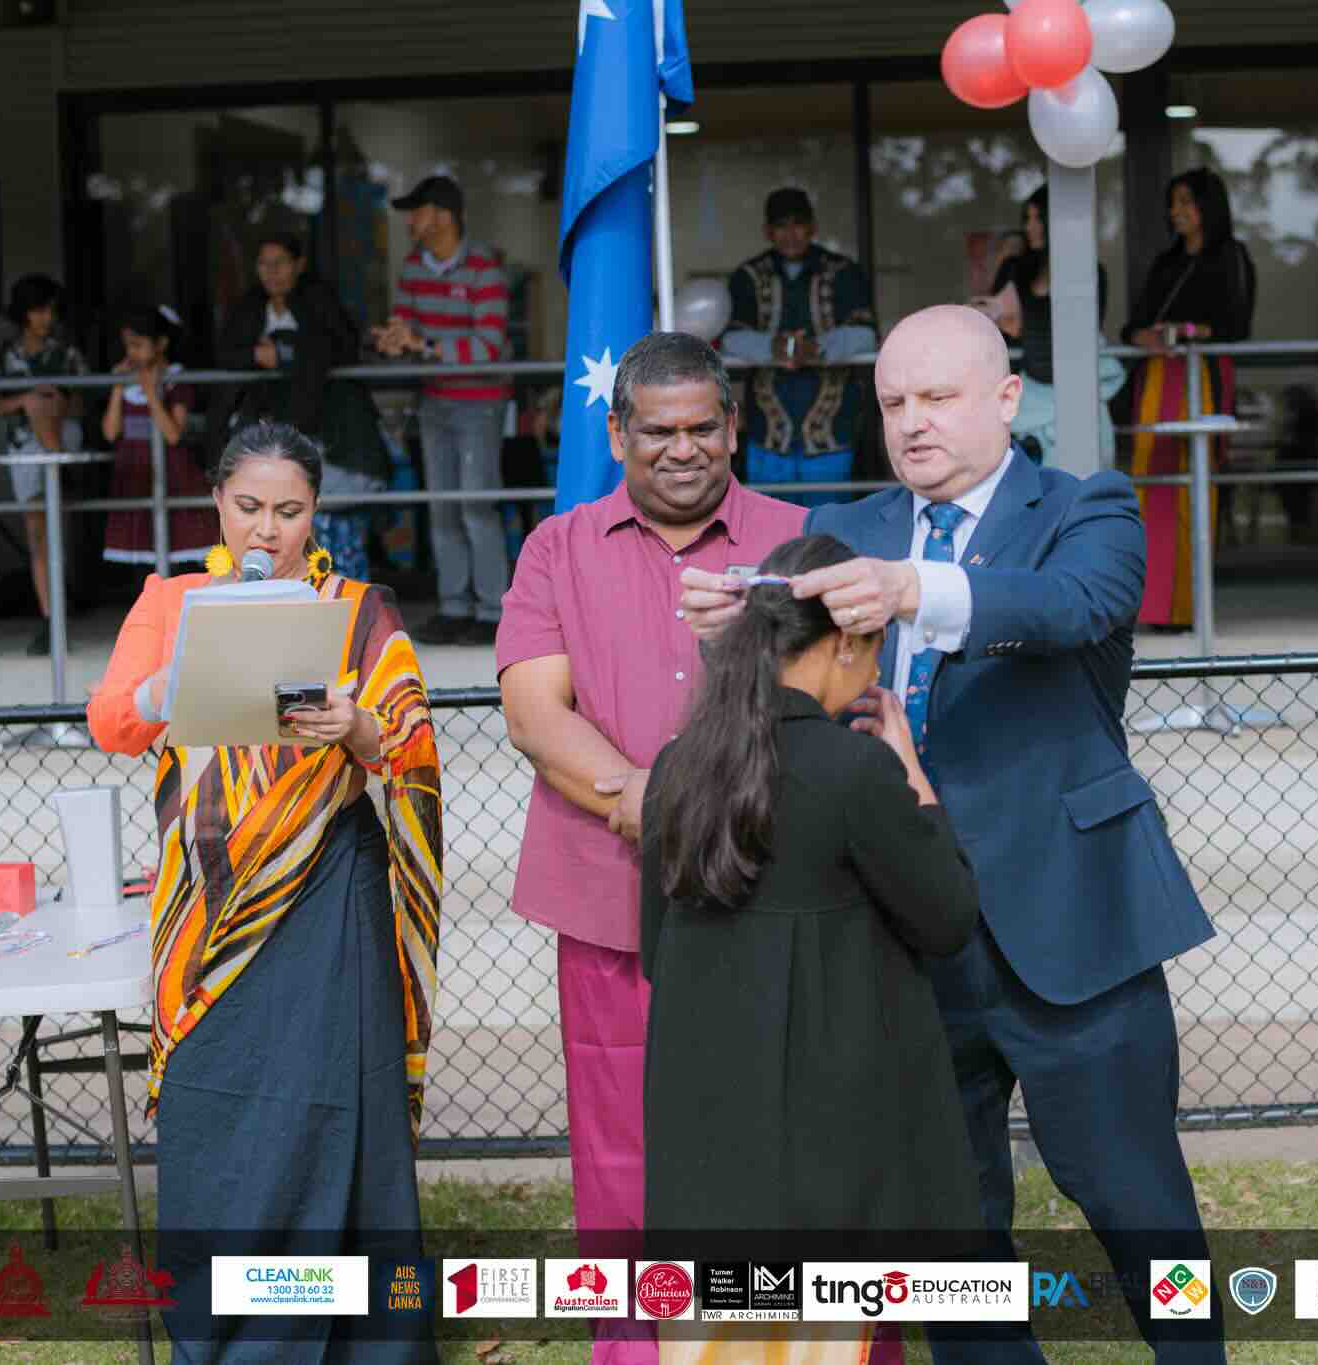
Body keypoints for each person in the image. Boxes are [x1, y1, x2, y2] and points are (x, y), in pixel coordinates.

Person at [681, 305, 1225, 1364]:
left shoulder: (1089, 507)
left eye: (936, 398)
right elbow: (786, 679)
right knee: (947, 1218)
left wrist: (911, 591)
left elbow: (1074, 606)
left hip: (1072, 924)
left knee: (1134, 1198)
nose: (911, 423)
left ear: (1006, 399)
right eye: (892, 403)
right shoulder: (850, 527)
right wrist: (737, 629)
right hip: (899, 926)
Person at [87, 418, 443, 1364]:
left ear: (315, 513)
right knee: (219, 1121)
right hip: (206, 913)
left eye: (289, 511)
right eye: (249, 507)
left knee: (339, 1115)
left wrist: (359, 727)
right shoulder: (171, 598)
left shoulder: (358, 610)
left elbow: (410, 750)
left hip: (330, 892)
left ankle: (363, 1342)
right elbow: (110, 720)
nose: (267, 530)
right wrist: (172, 686)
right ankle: (234, 1335)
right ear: (216, 501)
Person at [495, 332, 810, 1365]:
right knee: (621, 1142)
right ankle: (635, 1347)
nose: (682, 451)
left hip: (772, 888)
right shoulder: (558, 548)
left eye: (701, 429)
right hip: (608, 889)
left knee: (774, 1125)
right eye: (657, 432)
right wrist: (656, 800)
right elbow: (536, 714)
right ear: (616, 432)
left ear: (732, 428)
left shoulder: (800, 538)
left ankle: (770, 1340)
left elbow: (832, 702)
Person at [641, 532, 982, 1365]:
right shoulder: (855, 769)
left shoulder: (675, 767)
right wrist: (916, 780)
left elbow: (656, 953)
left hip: (705, 1129)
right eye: (873, 652)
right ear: (843, 644)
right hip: (831, 1136)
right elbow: (947, 915)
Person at [372, 175, 511, 646]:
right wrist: (394, 340)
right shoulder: (413, 267)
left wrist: (423, 345)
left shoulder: (484, 269)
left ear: (443, 216)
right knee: (443, 510)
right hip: (434, 402)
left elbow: (489, 347)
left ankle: (493, 611)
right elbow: (406, 329)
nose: (410, 219)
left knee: (476, 506)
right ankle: (454, 608)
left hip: (479, 405)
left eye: (417, 210)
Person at [1121, 168, 1257, 630]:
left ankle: (1187, 608)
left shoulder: (1231, 256)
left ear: (1208, 207)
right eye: (1172, 202)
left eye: (1185, 202)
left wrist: (1192, 332)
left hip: (1202, 377)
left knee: (1196, 485)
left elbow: (1238, 325)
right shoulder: (1166, 262)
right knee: (1151, 487)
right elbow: (1132, 325)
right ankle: (1152, 607)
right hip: (1158, 379)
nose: (1175, 212)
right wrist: (1145, 337)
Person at [215, 232, 390, 582]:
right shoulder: (250, 309)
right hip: (274, 440)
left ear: (299, 265)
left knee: (334, 533)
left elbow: (334, 348)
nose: (271, 272)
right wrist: (256, 355)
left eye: (280, 263)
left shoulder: (318, 302)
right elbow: (226, 355)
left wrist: (282, 353)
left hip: (331, 438)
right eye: (264, 264)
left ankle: (347, 612)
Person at [720, 187, 877, 508]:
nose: (790, 234)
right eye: (781, 225)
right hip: (767, 433)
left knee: (825, 533)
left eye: (798, 224)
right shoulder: (748, 276)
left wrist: (817, 349)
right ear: (768, 231)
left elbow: (865, 334)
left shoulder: (842, 271)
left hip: (831, 431)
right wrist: (773, 349)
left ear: (812, 227)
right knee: (766, 531)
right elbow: (731, 338)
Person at [979, 185, 1125, 466]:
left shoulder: (1088, 269)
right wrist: (1004, 260)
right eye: (1027, 219)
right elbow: (995, 322)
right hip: (1031, 389)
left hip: (1075, 389)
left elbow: (1083, 329)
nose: (1030, 227)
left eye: (1038, 219)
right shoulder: (1019, 269)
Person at [0, 274, 87, 656]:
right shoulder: (5, 353)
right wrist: (29, 399)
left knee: (55, 529)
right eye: (37, 309)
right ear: (23, 312)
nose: (45, 317)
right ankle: (50, 617)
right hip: (24, 448)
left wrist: (51, 403)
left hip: (65, 438)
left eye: (50, 309)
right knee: (38, 533)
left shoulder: (66, 350)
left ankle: (59, 614)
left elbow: (81, 401)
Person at [101, 304, 220, 573]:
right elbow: (110, 432)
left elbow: (173, 433)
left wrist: (152, 394)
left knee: (182, 559)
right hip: (136, 474)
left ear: (161, 344)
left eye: (138, 345)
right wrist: (118, 388)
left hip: (173, 475)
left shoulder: (176, 380)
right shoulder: (126, 382)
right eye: (127, 346)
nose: (131, 353)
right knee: (144, 561)